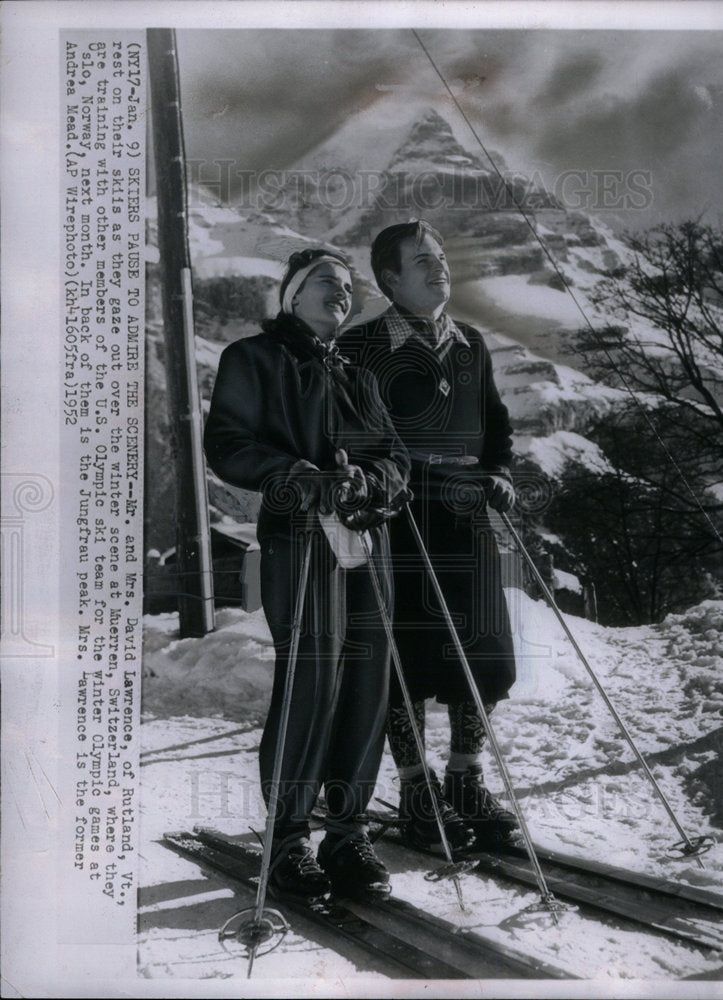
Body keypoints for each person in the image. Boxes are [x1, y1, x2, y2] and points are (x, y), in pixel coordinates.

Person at [204, 248, 411, 899]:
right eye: (326, 281)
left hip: (365, 541)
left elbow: (395, 460)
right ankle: (288, 839)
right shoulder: (253, 359)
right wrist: (293, 474)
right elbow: (229, 443)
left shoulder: (359, 376)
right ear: (291, 295)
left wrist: (371, 482)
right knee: (311, 679)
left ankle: (347, 836)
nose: (341, 292)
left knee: (366, 683)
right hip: (300, 535)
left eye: (348, 286)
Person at [340, 221, 520, 852]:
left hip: (466, 519)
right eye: (422, 260)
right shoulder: (361, 347)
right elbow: (354, 436)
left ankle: (466, 780)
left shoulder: (471, 343)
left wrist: (499, 475)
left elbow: (495, 423)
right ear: (390, 278)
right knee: (405, 661)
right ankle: (418, 793)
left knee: (487, 654)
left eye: (440, 255)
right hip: (398, 519)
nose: (438, 266)